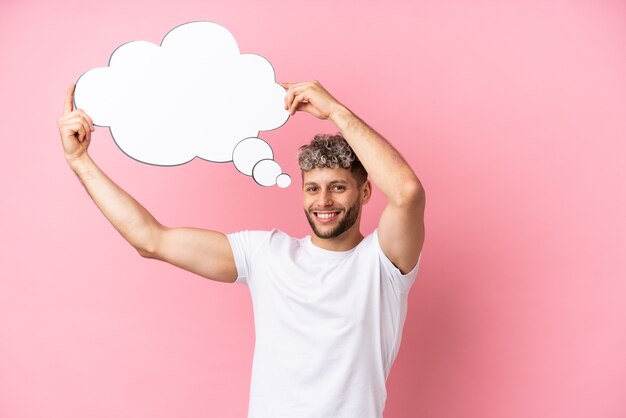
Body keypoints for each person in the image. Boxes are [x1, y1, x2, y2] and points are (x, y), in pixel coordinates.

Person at [57, 80, 426, 418]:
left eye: (338, 187)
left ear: (364, 192)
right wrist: (80, 162)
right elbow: (151, 239)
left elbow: (407, 192)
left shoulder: (383, 263)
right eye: (312, 188)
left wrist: (335, 112)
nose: (323, 200)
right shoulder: (265, 253)